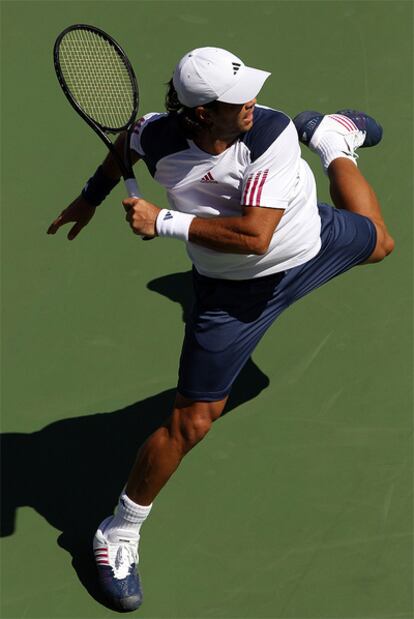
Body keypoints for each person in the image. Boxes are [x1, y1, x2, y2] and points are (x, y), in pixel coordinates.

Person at [47, 46, 394, 612]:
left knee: (380, 243)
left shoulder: (271, 133)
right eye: (239, 99)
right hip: (235, 298)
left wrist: (162, 220)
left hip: (307, 242)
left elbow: (255, 236)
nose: (253, 102)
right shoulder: (154, 137)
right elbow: (123, 149)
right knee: (192, 422)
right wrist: (89, 198)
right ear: (203, 113)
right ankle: (120, 531)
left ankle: (331, 139)